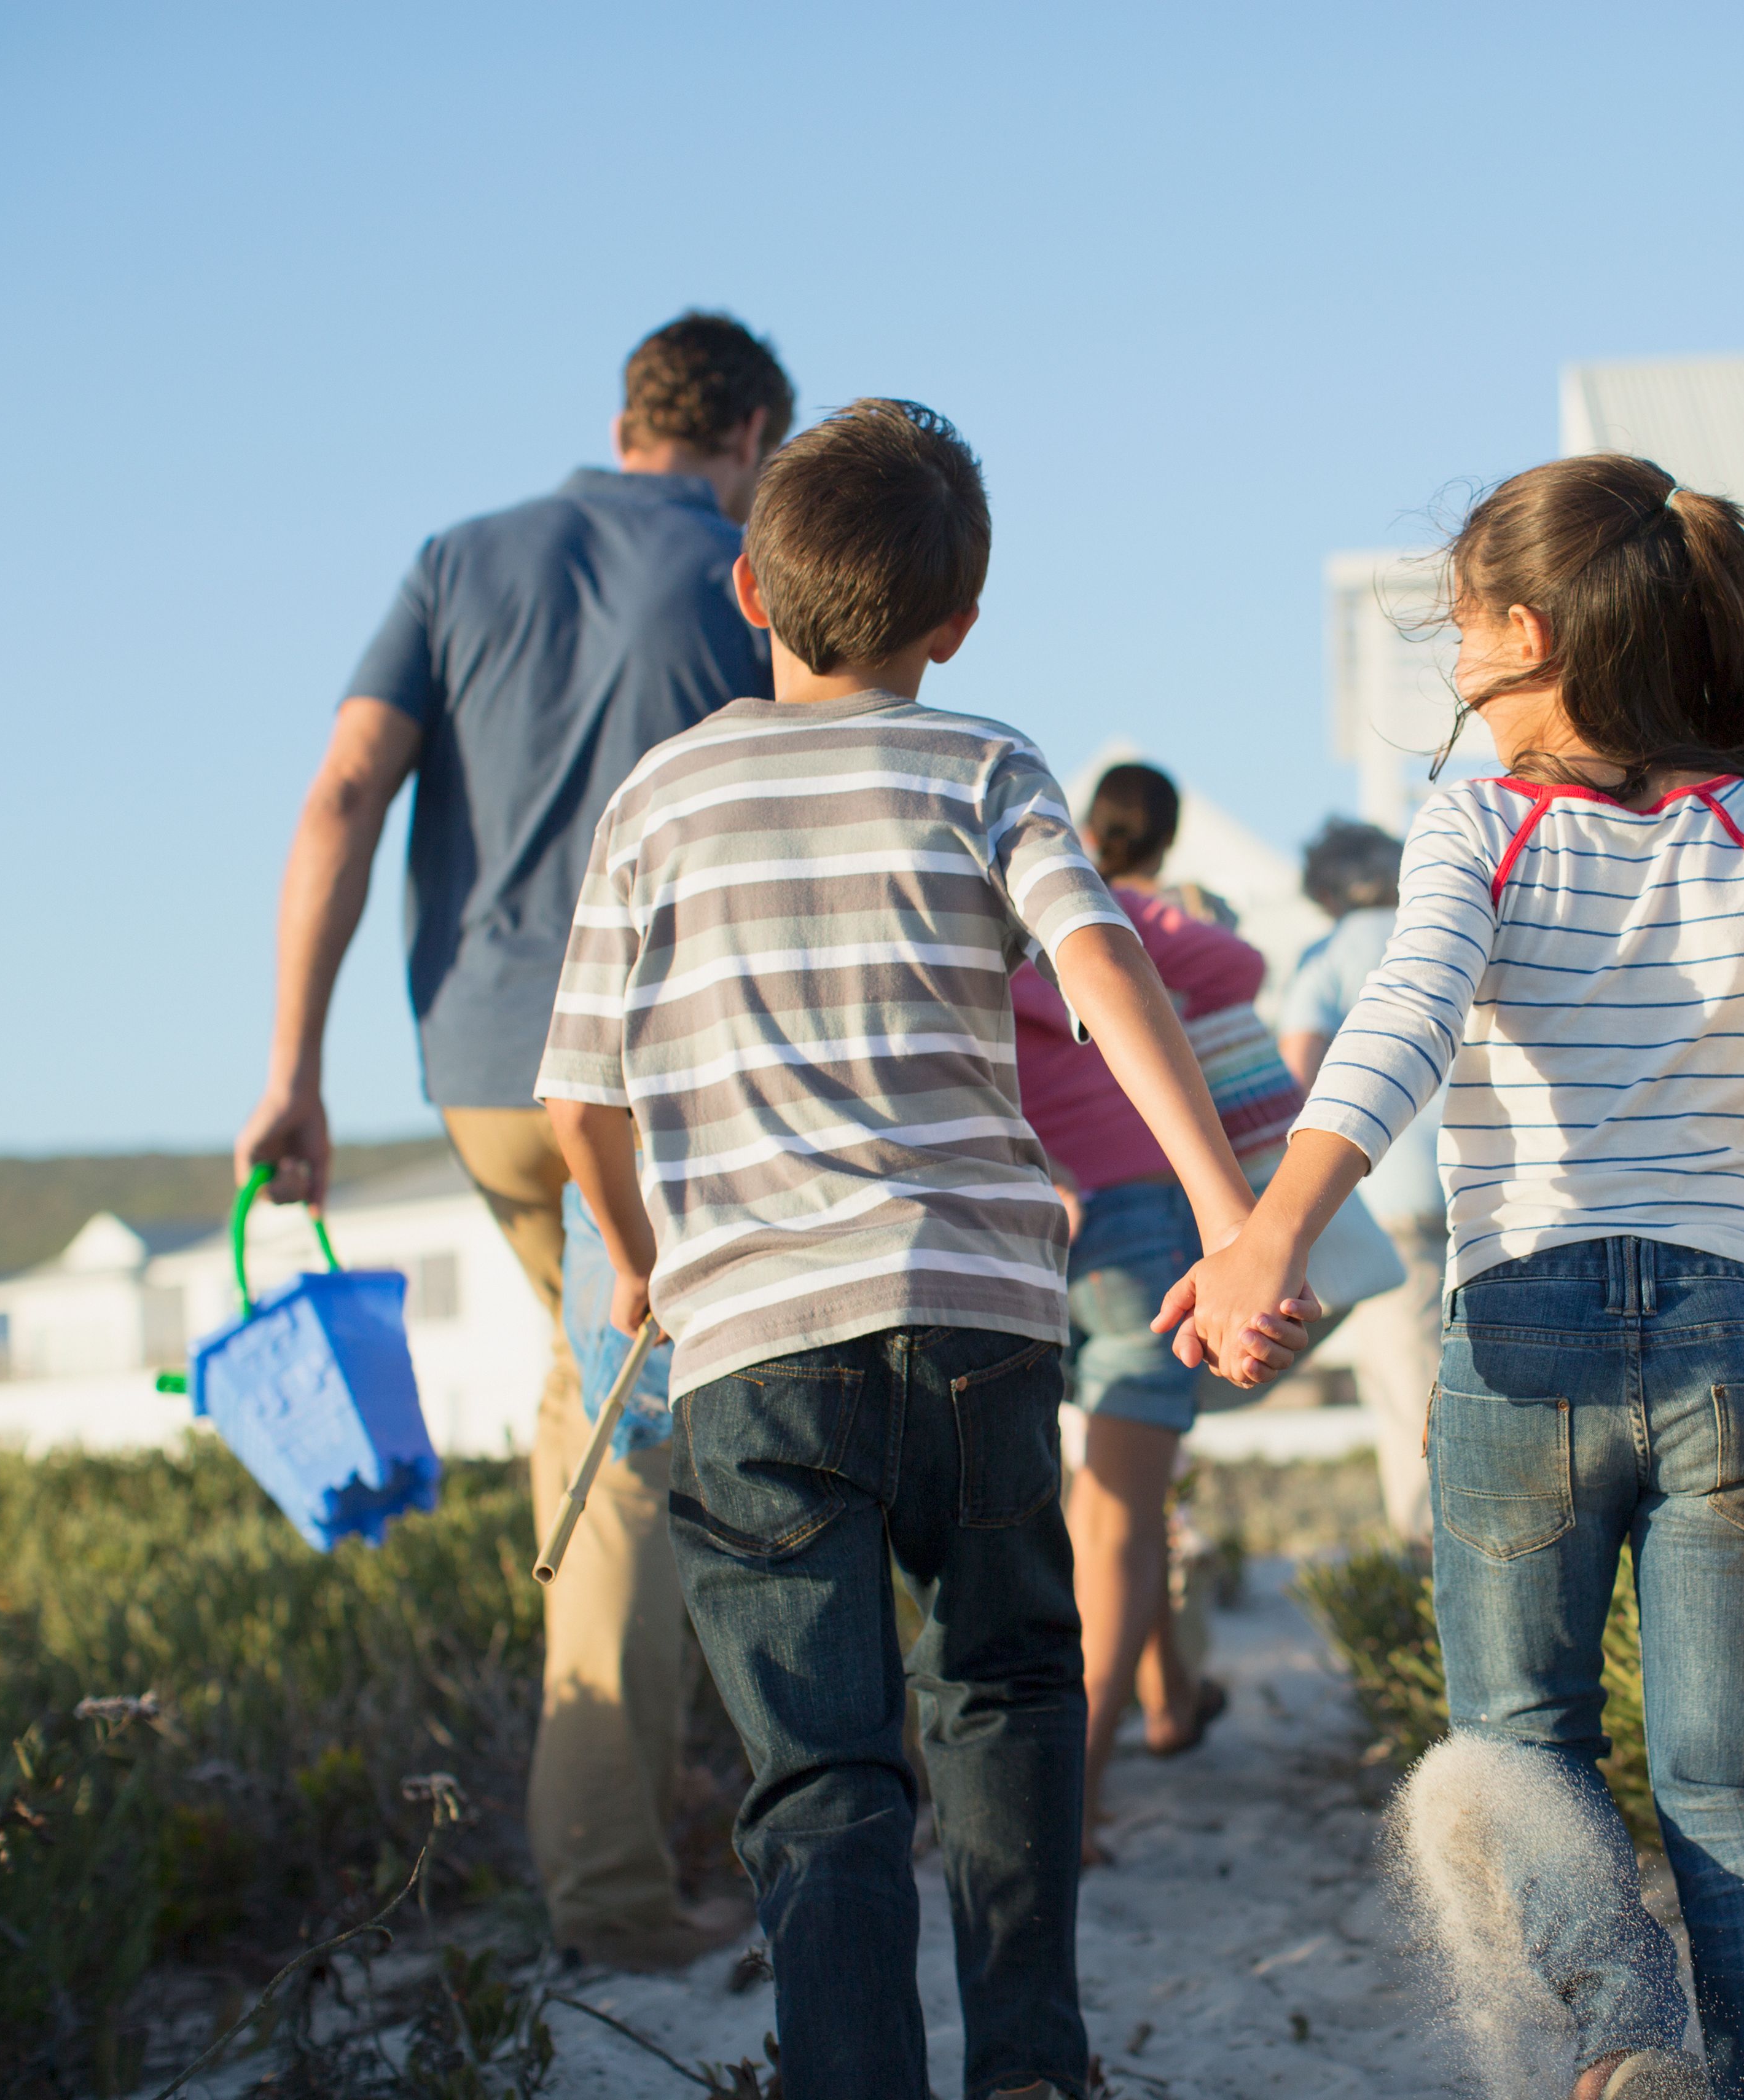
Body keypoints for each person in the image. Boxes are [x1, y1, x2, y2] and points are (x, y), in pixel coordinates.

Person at [537, 399, 1304, 2099]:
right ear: (954, 625)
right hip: (973, 1320)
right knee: (1010, 1695)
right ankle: (1028, 2061)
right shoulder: (981, 763)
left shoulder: (660, 796)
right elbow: (1104, 979)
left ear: (748, 590)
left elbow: (578, 1098)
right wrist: (1227, 1207)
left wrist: (640, 1251)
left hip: (754, 1352)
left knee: (820, 1775)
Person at [1165, 454, 1744, 2100]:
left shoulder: (1481, 818)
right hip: (1736, 1329)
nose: (1446, 654)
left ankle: (1624, 2035)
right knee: (1727, 1800)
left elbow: (1403, 1024)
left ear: (1528, 633)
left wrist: (1267, 1232)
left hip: (1521, 1328)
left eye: (1456, 623)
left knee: (1523, 1749)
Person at [233, 312, 794, 1970]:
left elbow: (344, 790)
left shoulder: (456, 558)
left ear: (626, 419)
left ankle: (640, 1846)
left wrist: (292, 1066)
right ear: (750, 430)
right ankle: (619, 1897)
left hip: (480, 1069)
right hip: (660, 1070)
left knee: (604, 1415)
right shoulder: (743, 571)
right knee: (639, 1451)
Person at [1012, 762, 1301, 1859]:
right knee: (1123, 1510)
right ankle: (1075, 1795)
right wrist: (1151, 902)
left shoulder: (998, 919)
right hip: (1134, 1218)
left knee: (1067, 1504)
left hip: (1017, 1215)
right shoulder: (1120, 916)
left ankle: (1167, 1695)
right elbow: (1241, 963)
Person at [1278, 818, 1443, 1551]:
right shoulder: (1439, 931)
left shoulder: (1330, 955)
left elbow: (1297, 1074)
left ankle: (1430, 1566)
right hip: (1483, 1194)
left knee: (1409, 1399)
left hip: (1387, 1202)